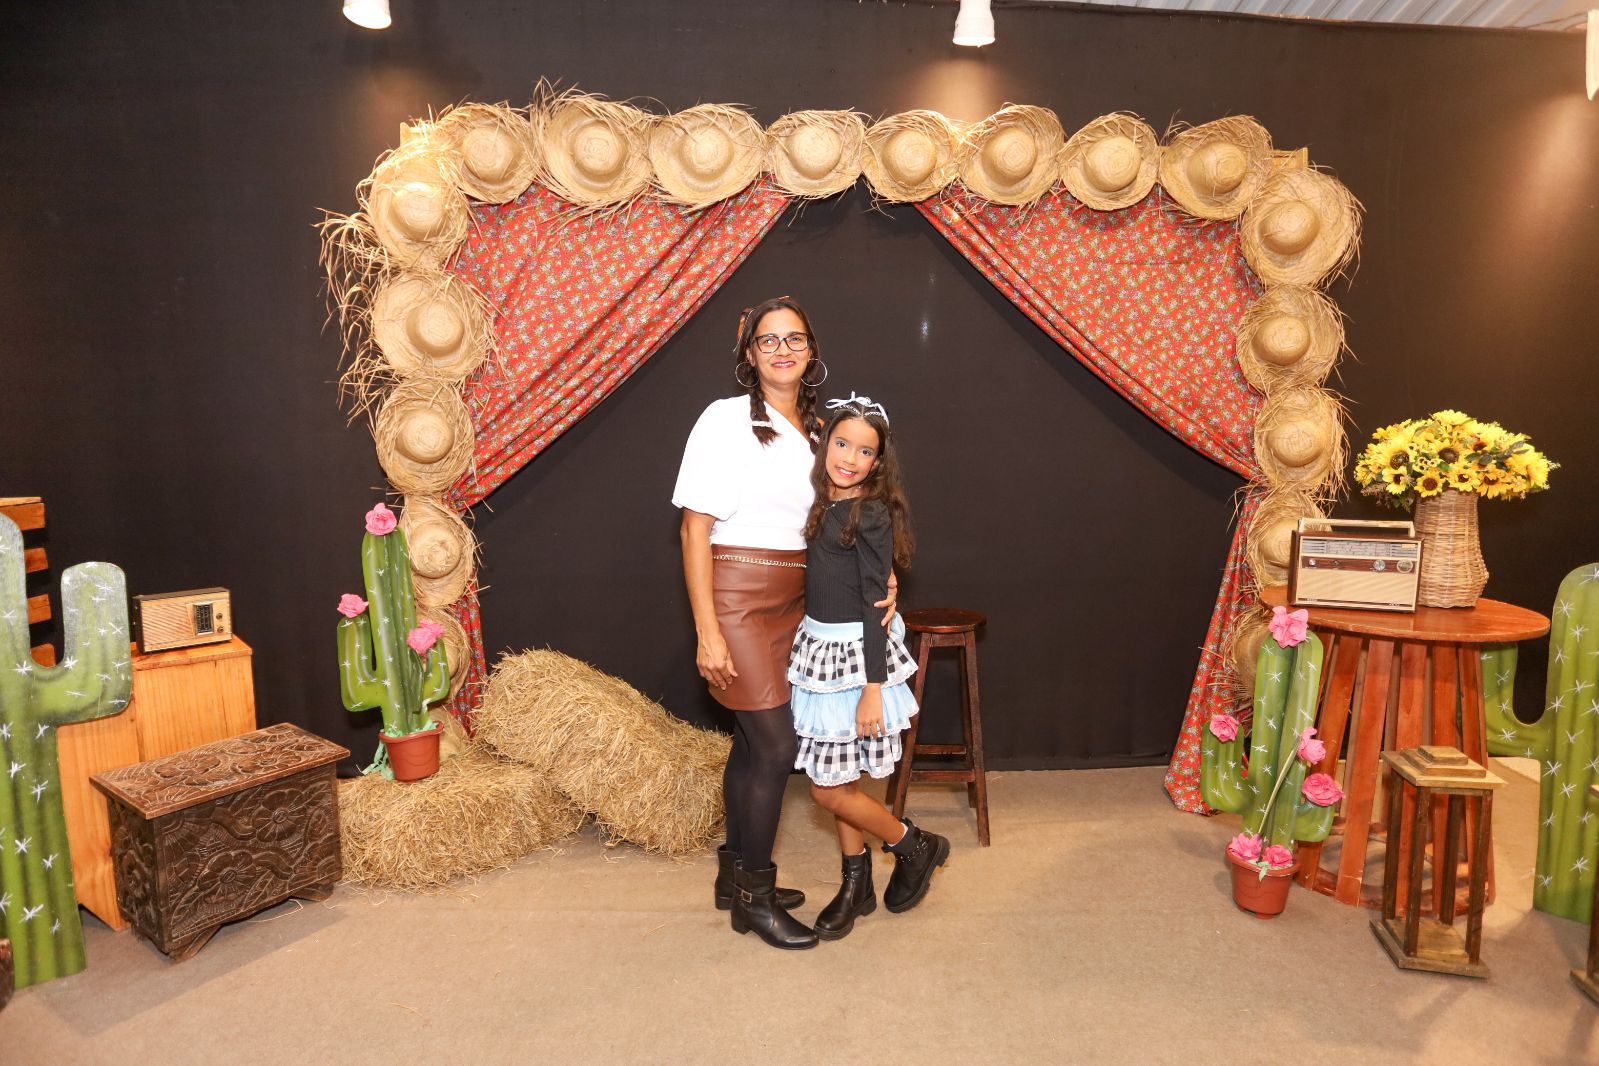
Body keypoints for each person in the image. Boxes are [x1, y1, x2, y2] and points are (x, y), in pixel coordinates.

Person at [674, 297, 894, 951]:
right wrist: (708, 630)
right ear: (749, 353)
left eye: (793, 338)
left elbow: (855, 512)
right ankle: (755, 898)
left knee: (749, 745)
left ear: (811, 350)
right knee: (775, 746)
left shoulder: (823, 428)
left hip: (799, 600)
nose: (781, 349)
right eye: (767, 340)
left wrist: (882, 574)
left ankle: (732, 875)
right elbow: (693, 529)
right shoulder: (722, 419)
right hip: (737, 595)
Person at [788, 395, 949, 940]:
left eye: (864, 451)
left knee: (826, 790)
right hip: (819, 651)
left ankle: (912, 843)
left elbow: (875, 605)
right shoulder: (824, 502)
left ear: (878, 463)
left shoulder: (870, 513)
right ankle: (855, 884)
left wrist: (873, 688)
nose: (850, 458)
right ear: (824, 442)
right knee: (841, 779)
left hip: (855, 660)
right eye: (841, 443)